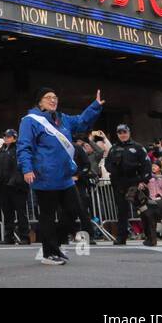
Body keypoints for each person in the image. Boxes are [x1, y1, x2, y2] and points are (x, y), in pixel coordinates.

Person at [17, 87, 104, 266]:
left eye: (55, 97)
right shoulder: (30, 121)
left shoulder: (62, 119)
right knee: (48, 215)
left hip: (65, 176)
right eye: (48, 97)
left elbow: (81, 121)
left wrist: (94, 106)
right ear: (39, 101)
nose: (53, 100)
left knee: (73, 211)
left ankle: (52, 246)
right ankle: (49, 253)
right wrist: (27, 168)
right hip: (45, 176)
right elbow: (24, 146)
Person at [104, 123, 149, 245]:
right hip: (119, 183)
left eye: (124, 132)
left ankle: (149, 235)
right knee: (121, 211)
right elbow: (107, 164)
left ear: (129, 132)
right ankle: (121, 237)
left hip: (135, 182)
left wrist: (143, 181)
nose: (122, 135)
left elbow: (146, 165)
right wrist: (112, 170)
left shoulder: (138, 147)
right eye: (120, 133)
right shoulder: (113, 148)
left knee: (142, 209)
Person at [0, 128, 30, 244]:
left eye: (8, 136)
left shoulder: (19, 150)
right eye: (5, 136)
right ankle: (9, 236)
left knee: (20, 212)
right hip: (3, 187)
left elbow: (19, 168)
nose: (6, 138)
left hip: (17, 187)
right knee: (7, 213)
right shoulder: (1, 151)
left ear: (14, 138)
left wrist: (14, 181)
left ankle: (24, 236)